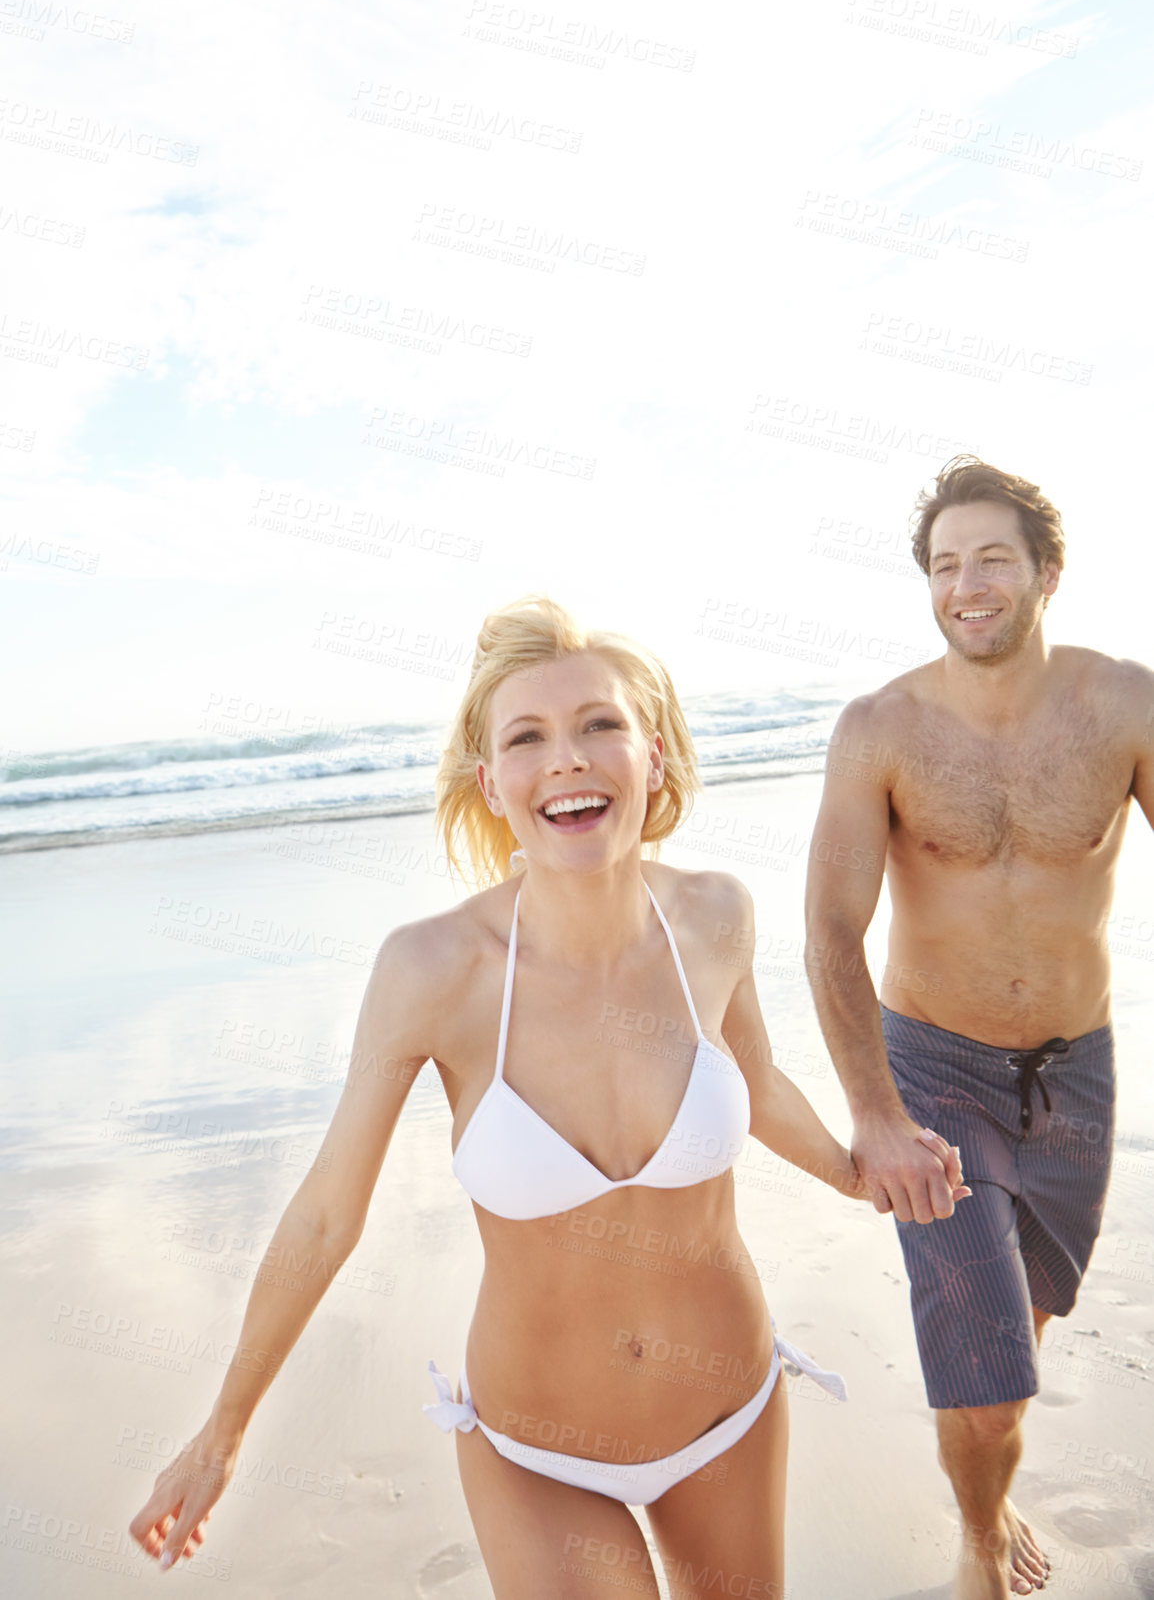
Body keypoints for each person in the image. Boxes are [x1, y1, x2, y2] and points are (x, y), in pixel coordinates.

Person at [129, 596, 964, 1597]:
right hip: (536, 1452)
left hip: (726, 1416)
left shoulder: (713, 916)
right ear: (491, 782)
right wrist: (222, 1430)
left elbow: (755, 1081)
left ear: (652, 754)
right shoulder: (432, 971)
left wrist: (856, 1168)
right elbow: (323, 1215)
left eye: (598, 724)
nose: (565, 756)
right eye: (526, 737)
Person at [804, 457, 1154, 1600]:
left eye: (990, 558)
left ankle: (988, 1490)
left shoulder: (1124, 704)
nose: (966, 584)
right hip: (932, 1074)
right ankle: (975, 1544)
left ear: (1046, 572)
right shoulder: (879, 729)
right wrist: (874, 1113)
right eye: (944, 565)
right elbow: (828, 935)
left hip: (1077, 1076)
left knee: (1026, 1321)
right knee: (987, 1378)